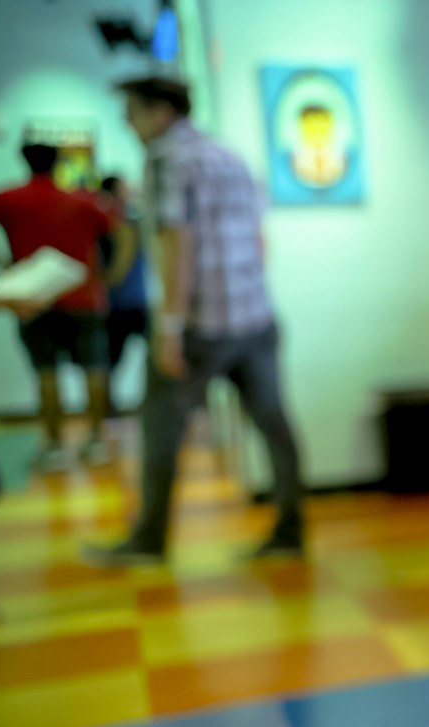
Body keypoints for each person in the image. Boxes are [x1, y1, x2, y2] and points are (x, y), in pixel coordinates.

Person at [84, 76, 305, 566]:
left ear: (162, 113)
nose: (128, 122)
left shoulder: (166, 159)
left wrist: (169, 327)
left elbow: (176, 242)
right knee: (274, 425)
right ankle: (290, 531)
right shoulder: (229, 156)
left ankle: (148, 541)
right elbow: (259, 239)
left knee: (160, 426)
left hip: (201, 326)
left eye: (134, 112)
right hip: (254, 316)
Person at [0, 143, 132, 469]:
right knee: (94, 369)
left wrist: (5, 263)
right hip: (84, 297)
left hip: (33, 297)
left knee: (46, 372)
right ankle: (96, 440)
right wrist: (114, 274)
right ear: (58, 163)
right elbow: (125, 233)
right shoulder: (84, 199)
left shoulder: (5, 198)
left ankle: (55, 446)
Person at [97, 175, 151, 401]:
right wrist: (113, 278)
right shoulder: (113, 222)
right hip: (118, 302)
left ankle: (109, 407)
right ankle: (107, 407)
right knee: (110, 362)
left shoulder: (130, 218)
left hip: (133, 300)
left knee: (113, 361)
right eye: (124, 189)